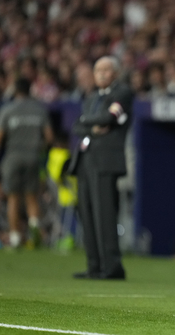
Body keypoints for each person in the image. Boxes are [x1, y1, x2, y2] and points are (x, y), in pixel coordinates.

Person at [69, 56, 133, 280]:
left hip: (106, 161)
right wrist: (93, 125)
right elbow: (77, 126)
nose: (101, 74)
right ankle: (94, 266)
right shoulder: (92, 97)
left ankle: (112, 267)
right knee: (86, 213)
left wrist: (90, 121)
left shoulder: (122, 92)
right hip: (86, 160)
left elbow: (110, 117)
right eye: (97, 70)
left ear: (115, 73)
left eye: (106, 70)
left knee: (104, 214)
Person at [0, 78, 54, 249]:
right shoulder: (39, 111)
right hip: (33, 157)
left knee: (13, 197)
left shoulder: (8, 110)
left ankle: (15, 237)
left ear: (15, 91)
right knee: (32, 196)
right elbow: (49, 138)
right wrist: (39, 150)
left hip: (12, 157)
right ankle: (34, 229)